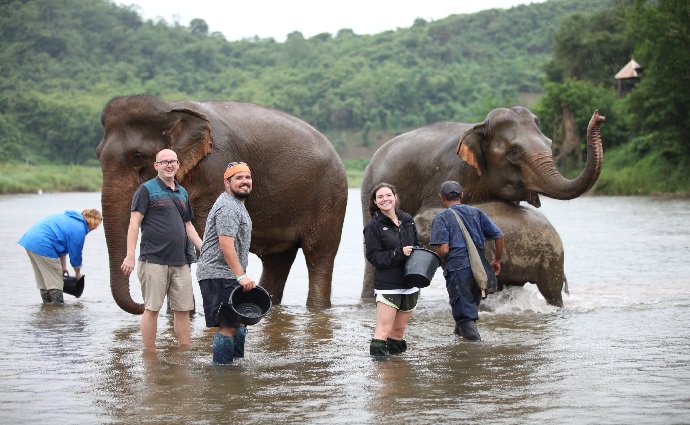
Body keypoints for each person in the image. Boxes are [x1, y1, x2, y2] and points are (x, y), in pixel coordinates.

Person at [121, 149, 202, 349]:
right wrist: (130, 255)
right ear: (156, 166)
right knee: (152, 308)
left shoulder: (181, 192)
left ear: (177, 165)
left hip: (181, 262)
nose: (169, 165)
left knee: (183, 310)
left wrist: (205, 249)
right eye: (164, 162)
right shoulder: (146, 190)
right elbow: (134, 223)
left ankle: (185, 352)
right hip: (153, 261)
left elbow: (188, 226)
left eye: (172, 161)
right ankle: (149, 354)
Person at [196, 161, 256, 365]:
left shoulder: (237, 205)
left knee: (238, 324)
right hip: (218, 274)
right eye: (238, 178)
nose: (244, 182)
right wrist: (241, 276)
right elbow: (226, 245)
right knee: (228, 326)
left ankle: (235, 372)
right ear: (227, 182)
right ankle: (222, 375)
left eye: (247, 178)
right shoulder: (229, 206)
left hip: (227, 274)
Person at [429, 180, 504, 342]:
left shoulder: (441, 218)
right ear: (462, 196)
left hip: (458, 270)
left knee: (464, 315)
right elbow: (499, 236)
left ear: (441, 198)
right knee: (467, 307)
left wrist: (433, 258)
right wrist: (497, 260)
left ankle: (476, 354)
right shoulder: (477, 213)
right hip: (479, 270)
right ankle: (457, 339)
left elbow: (444, 249)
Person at [363, 182, 421, 357]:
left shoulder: (408, 220)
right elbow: (374, 257)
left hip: (410, 284)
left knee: (398, 332)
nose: (385, 199)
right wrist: (399, 253)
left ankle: (396, 370)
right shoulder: (373, 226)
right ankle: (380, 374)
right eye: (380, 197)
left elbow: (417, 245)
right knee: (383, 330)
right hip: (388, 285)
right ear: (375, 201)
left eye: (388, 195)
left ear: (395, 197)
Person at [19, 209, 102, 304]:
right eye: (95, 226)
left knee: (44, 280)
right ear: (92, 221)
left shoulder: (71, 220)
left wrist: (64, 267)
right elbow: (76, 255)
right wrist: (78, 273)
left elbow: (62, 245)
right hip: (43, 244)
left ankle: (47, 309)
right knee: (56, 281)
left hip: (30, 241)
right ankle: (57, 310)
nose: (94, 229)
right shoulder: (79, 229)